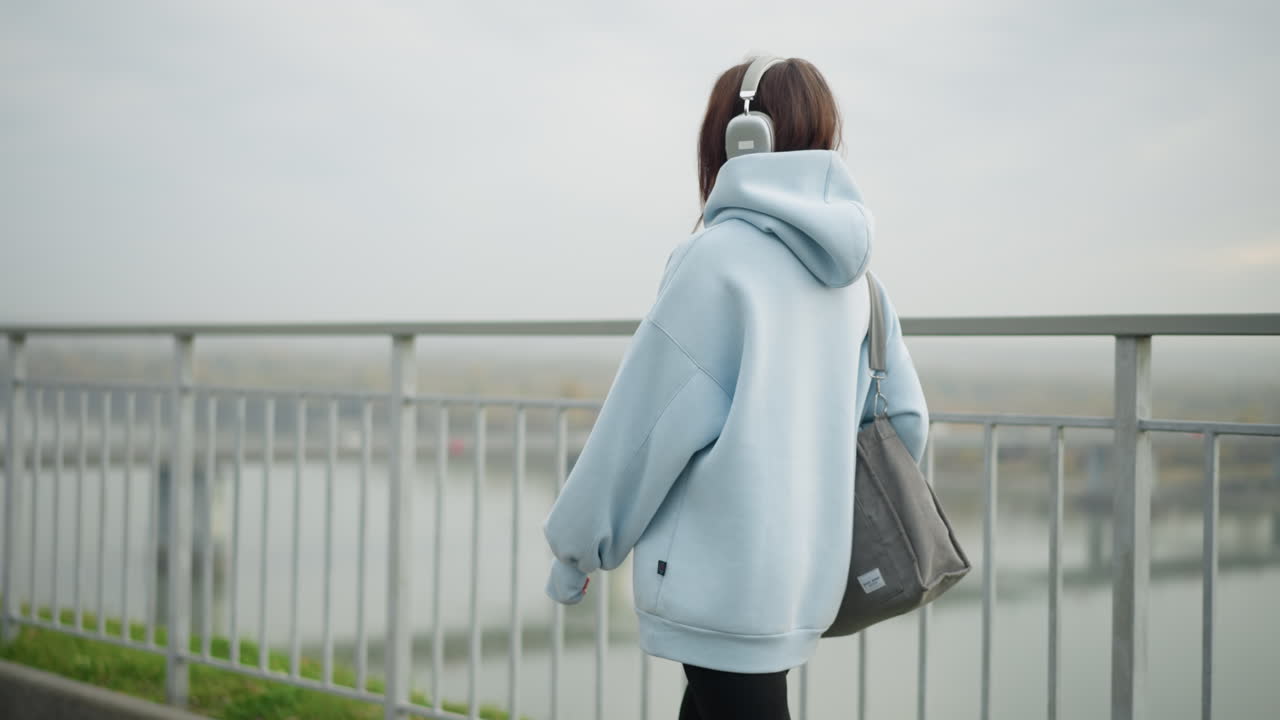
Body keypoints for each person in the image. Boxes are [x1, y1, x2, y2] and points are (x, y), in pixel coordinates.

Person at [541, 54, 929, 720]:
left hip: (720, 586)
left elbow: (643, 428)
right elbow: (908, 422)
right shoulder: (860, 283)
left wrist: (579, 548)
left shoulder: (714, 263)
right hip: (805, 582)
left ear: (740, 141)